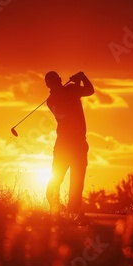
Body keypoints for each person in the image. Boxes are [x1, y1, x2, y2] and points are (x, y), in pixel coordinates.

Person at [44, 71, 94, 222]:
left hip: (79, 143)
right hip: (64, 145)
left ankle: (72, 212)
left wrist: (83, 77)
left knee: (77, 181)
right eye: (52, 83)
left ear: (59, 80)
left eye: (57, 81)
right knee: (56, 179)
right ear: (49, 86)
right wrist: (77, 83)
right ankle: (56, 210)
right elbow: (66, 113)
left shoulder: (72, 90)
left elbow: (90, 90)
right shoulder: (52, 100)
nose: (56, 84)